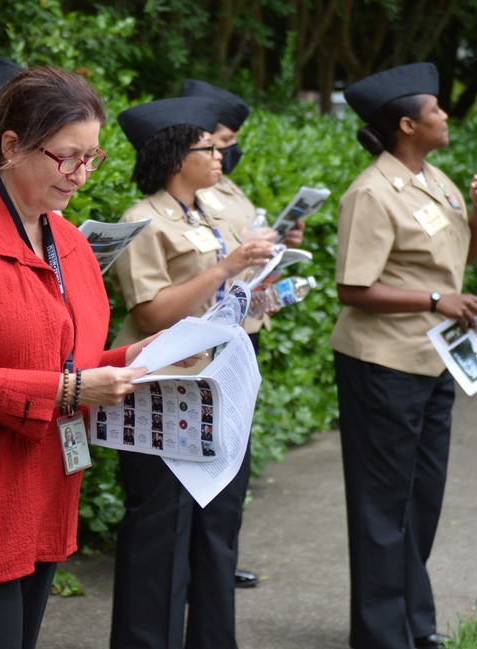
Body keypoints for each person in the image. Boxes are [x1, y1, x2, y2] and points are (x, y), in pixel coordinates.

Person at [0, 64, 192, 649]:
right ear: (11, 146)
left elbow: (72, 355)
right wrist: (73, 390)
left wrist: (139, 356)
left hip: (44, 495)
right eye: (68, 158)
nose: (81, 176)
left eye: (92, 158)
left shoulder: (67, 239)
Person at [332, 62, 477, 649]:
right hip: (382, 364)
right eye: (435, 110)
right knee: (382, 504)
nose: (445, 115)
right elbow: (353, 289)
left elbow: (462, 261)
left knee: (422, 497)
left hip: (433, 361)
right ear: (407, 124)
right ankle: (381, 634)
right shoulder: (371, 193)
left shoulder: (436, 179)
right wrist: (435, 300)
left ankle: (413, 621)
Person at [108, 97, 276, 649]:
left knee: (217, 531)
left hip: (219, 386)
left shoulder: (208, 213)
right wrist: (228, 268)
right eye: (207, 147)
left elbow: (217, 299)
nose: (220, 154)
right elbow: (151, 313)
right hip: (164, 393)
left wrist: (254, 290)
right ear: (178, 156)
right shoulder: (142, 219)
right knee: (159, 533)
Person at [181, 78, 308, 589]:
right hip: (203, 337)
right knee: (204, 455)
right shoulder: (193, 195)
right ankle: (200, 568)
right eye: (217, 144)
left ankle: (216, 562)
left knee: (232, 456)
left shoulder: (226, 190)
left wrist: (278, 248)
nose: (223, 155)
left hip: (238, 329)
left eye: (227, 146)